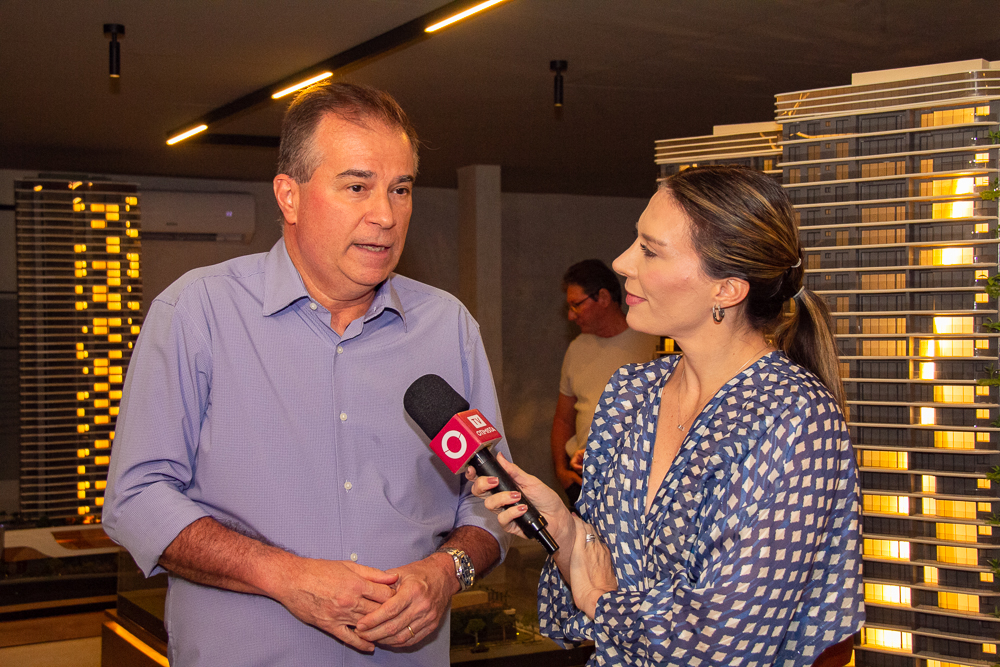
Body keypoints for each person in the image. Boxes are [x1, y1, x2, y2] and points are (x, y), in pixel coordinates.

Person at [103, 82, 510, 666]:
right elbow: (137, 499)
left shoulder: (449, 328)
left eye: (400, 189)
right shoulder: (197, 313)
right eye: (357, 186)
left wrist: (448, 571)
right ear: (289, 196)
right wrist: (284, 576)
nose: (386, 215)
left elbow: (493, 495)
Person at [470, 166, 864, 667]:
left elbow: (720, 640)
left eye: (650, 250)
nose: (621, 262)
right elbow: (592, 580)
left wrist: (601, 602)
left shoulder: (794, 419)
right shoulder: (631, 393)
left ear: (727, 289)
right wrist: (566, 531)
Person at [551, 260, 657, 504]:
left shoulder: (650, 341)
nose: (571, 315)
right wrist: (561, 471)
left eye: (576, 305)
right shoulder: (577, 348)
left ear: (604, 297)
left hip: (635, 478)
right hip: (582, 477)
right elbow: (563, 418)